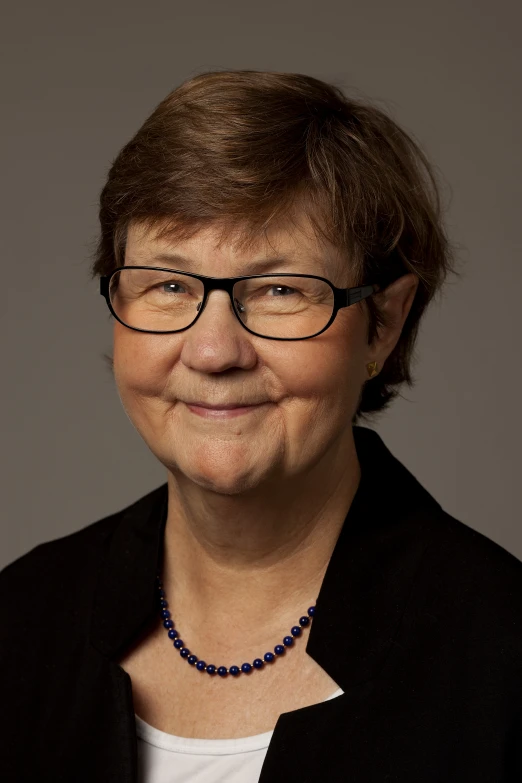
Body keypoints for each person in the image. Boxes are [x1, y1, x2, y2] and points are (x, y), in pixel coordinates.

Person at [1, 70, 521, 783]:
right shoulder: (21, 622)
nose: (214, 351)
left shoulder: (502, 651)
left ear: (383, 325)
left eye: (279, 289)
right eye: (169, 284)